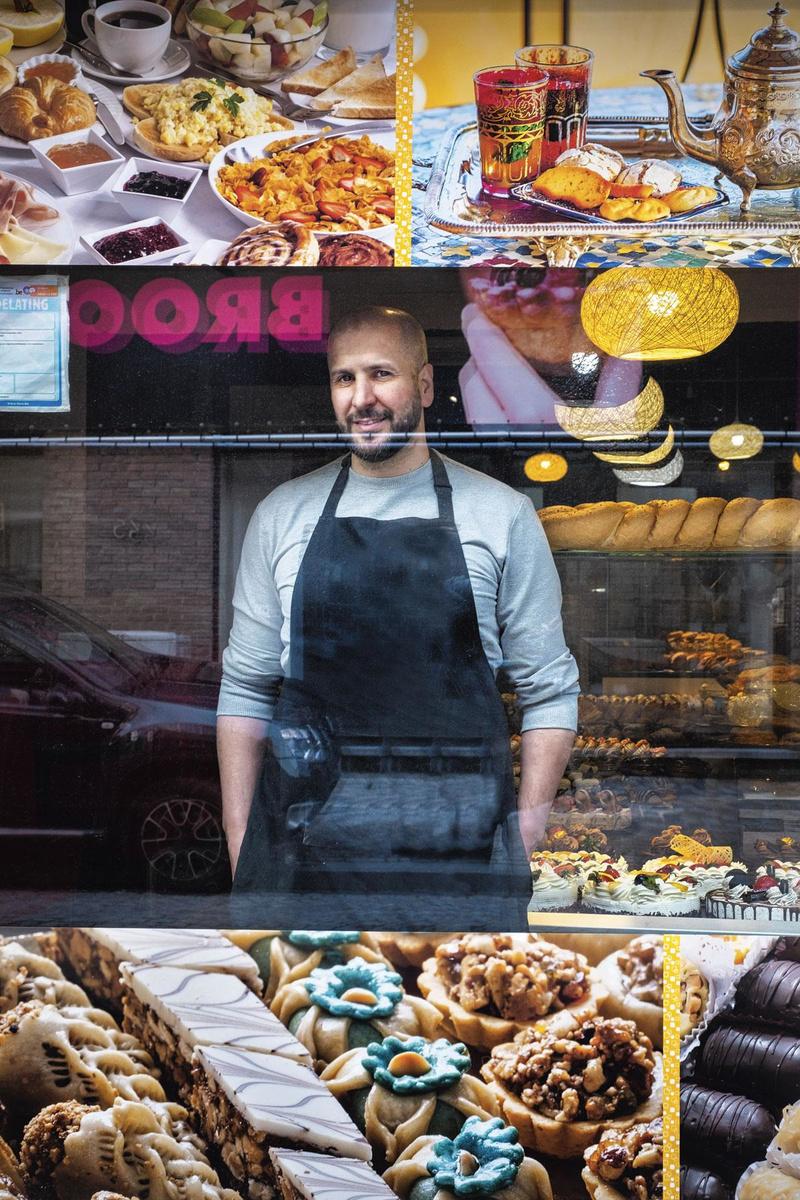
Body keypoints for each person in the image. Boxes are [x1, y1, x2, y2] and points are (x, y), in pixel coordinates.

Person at [217, 305, 579, 928]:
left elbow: (549, 690)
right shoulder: (282, 514)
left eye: (381, 374)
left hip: (459, 857)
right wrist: (242, 834)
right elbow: (246, 689)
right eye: (343, 378)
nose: (362, 399)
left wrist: (524, 834)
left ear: (427, 385)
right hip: (303, 857)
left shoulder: (502, 514)